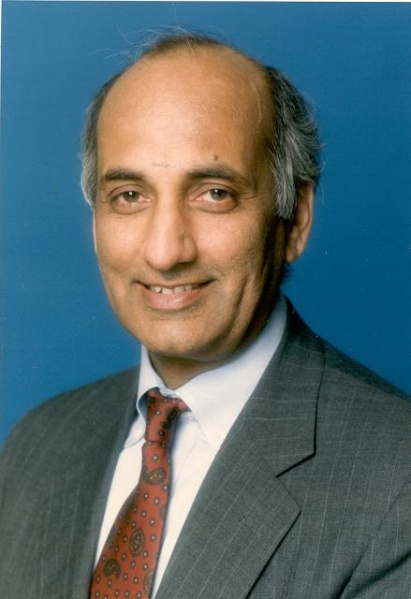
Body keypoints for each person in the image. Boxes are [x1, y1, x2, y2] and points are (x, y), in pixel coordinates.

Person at [1, 32, 410, 599]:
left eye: (214, 193)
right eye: (129, 195)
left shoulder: (396, 479)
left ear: (295, 220)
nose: (165, 251)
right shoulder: (37, 444)